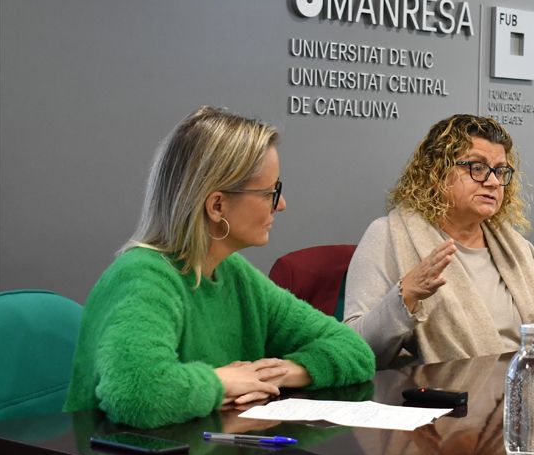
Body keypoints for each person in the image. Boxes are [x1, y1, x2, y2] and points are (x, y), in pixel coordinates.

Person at [66, 106, 375, 429]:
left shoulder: (236, 275)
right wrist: (223, 382)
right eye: (271, 193)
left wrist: (285, 371)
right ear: (217, 206)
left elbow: (355, 351)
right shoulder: (142, 276)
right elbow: (137, 392)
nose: (281, 205)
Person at [344, 114, 534, 366]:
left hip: (525, 387)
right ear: (437, 172)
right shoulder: (389, 235)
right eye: (478, 168)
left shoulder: (510, 242)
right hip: (444, 397)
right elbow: (352, 348)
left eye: (500, 171)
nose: (494, 181)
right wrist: (405, 296)